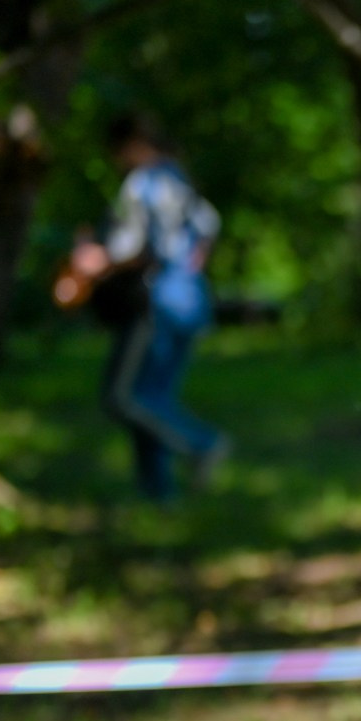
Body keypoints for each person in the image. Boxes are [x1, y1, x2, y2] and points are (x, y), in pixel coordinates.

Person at [64, 113, 228, 502]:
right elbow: (209, 226)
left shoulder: (142, 184)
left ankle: (202, 445)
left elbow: (135, 246)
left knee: (124, 396)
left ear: (132, 145)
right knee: (155, 398)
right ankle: (158, 493)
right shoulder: (180, 180)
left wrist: (96, 260)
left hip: (156, 303)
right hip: (191, 299)